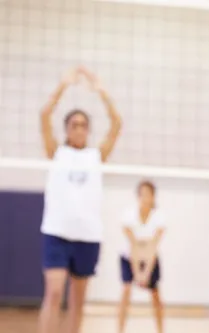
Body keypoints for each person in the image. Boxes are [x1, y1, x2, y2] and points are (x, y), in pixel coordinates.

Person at [39, 67, 122, 333]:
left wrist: (102, 92)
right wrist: (62, 86)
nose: (79, 128)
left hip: (87, 236)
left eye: (83, 125)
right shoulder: (57, 152)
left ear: (88, 130)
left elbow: (117, 124)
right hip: (57, 233)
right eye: (74, 124)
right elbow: (43, 115)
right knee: (53, 293)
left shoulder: (96, 156)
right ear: (67, 128)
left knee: (78, 301)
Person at [118, 180, 165, 333]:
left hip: (150, 259)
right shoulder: (129, 215)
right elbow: (133, 246)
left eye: (148, 194)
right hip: (129, 257)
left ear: (153, 196)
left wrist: (146, 273)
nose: (145, 197)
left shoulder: (159, 217)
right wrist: (137, 272)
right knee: (126, 290)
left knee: (156, 295)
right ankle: (120, 329)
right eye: (142, 194)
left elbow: (152, 246)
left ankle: (160, 330)